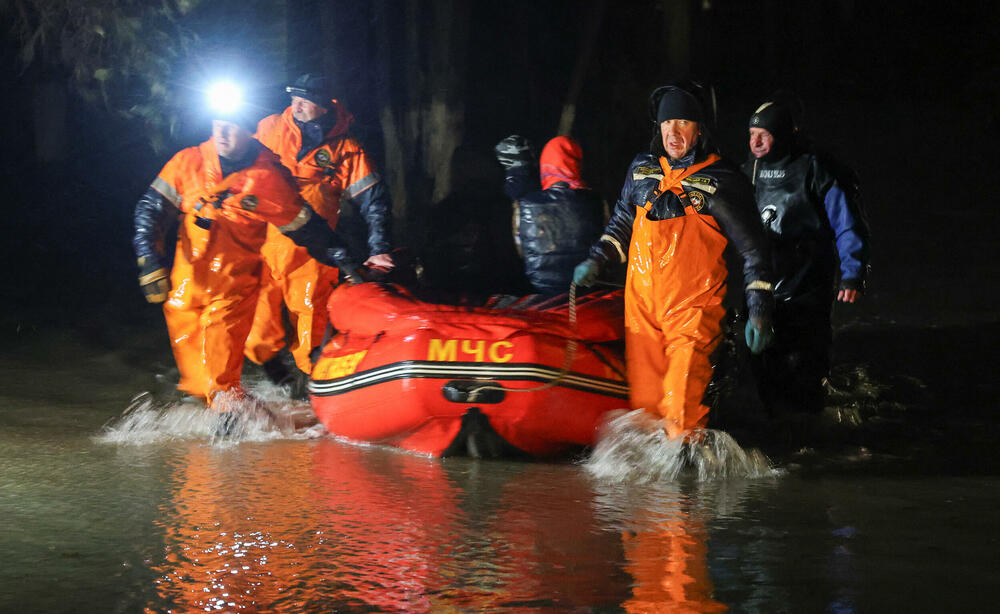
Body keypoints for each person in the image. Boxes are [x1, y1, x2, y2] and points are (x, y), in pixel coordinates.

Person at [573, 82, 775, 439]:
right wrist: (597, 258)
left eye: (683, 122)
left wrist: (759, 309)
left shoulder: (723, 180)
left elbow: (754, 249)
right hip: (642, 309)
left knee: (681, 410)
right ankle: (654, 474)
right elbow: (622, 222)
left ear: (699, 130)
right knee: (646, 410)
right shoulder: (641, 170)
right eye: (667, 123)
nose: (673, 131)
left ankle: (688, 468)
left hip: (694, 308)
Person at [132, 90, 344, 405]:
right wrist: (149, 259)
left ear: (248, 131)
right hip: (186, 286)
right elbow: (151, 209)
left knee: (220, 379)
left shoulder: (268, 177)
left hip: (233, 287)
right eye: (218, 124)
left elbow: (306, 228)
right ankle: (243, 415)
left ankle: (234, 415)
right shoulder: (188, 162)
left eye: (231, 127)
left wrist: (344, 258)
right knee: (197, 382)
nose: (222, 133)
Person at [243, 73, 394, 383]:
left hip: (313, 251)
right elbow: (240, 172)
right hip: (262, 241)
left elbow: (373, 202)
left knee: (311, 316)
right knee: (257, 320)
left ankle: (314, 385)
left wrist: (379, 250)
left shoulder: (347, 148)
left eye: (305, 101)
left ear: (324, 105)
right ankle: (273, 374)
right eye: (293, 99)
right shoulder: (270, 127)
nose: (296, 106)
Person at [742, 97, 869, 415]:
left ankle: (811, 418)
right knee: (762, 361)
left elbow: (847, 223)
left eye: (764, 135)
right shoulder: (750, 170)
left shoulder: (815, 168)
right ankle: (775, 422)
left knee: (805, 360)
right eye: (752, 134)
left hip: (808, 281)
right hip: (763, 283)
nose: (755, 142)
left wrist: (852, 273)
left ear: (783, 135)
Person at [494, 135, 604, 296]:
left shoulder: (524, 203)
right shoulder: (596, 201)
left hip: (540, 287)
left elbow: (521, 250)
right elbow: (606, 245)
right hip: (587, 288)